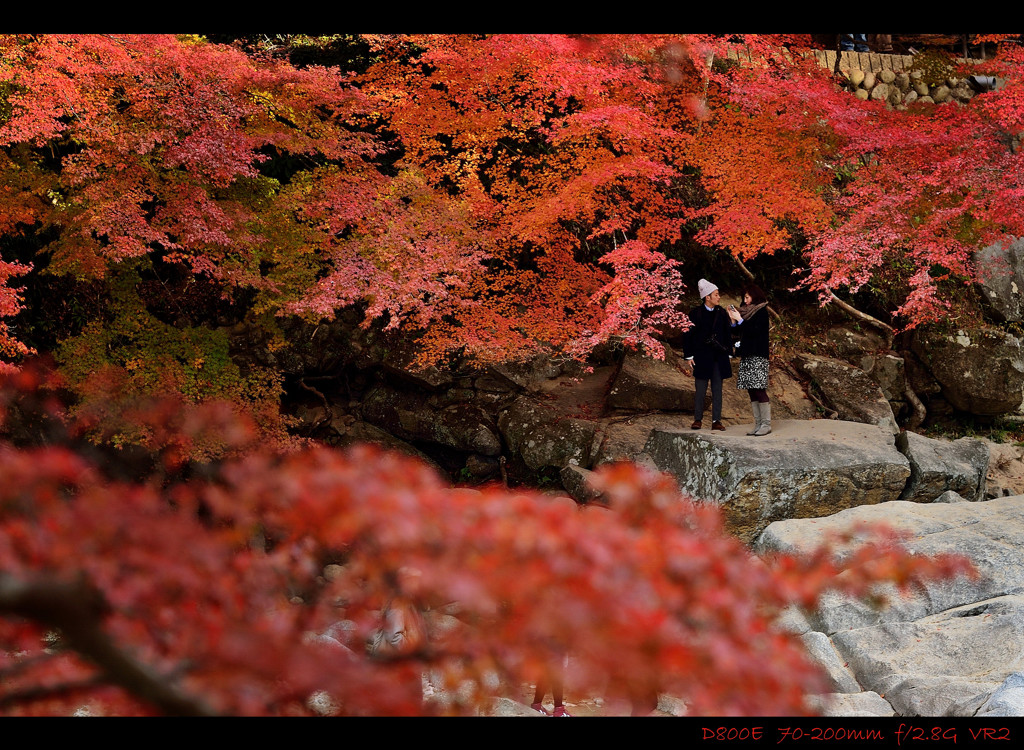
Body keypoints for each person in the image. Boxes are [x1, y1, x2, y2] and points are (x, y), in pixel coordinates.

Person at [682, 279, 732, 431]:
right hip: (701, 356)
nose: (719, 297)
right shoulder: (695, 313)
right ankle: (698, 419)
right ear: (707, 297)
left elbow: (727, 334)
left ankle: (716, 420)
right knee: (700, 390)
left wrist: (729, 352)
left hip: (718, 357)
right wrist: (689, 355)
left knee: (717, 390)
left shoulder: (722, 313)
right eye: (716, 295)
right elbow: (687, 335)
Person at [727, 284, 771, 436]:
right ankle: (758, 424)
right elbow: (738, 331)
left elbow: (753, 331)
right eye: (744, 297)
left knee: (759, 388)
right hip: (746, 355)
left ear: (754, 296)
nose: (745, 301)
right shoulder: (744, 313)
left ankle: (766, 424)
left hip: (758, 355)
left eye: (747, 297)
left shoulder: (761, 312)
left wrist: (739, 319)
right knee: (751, 390)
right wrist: (733, 320)